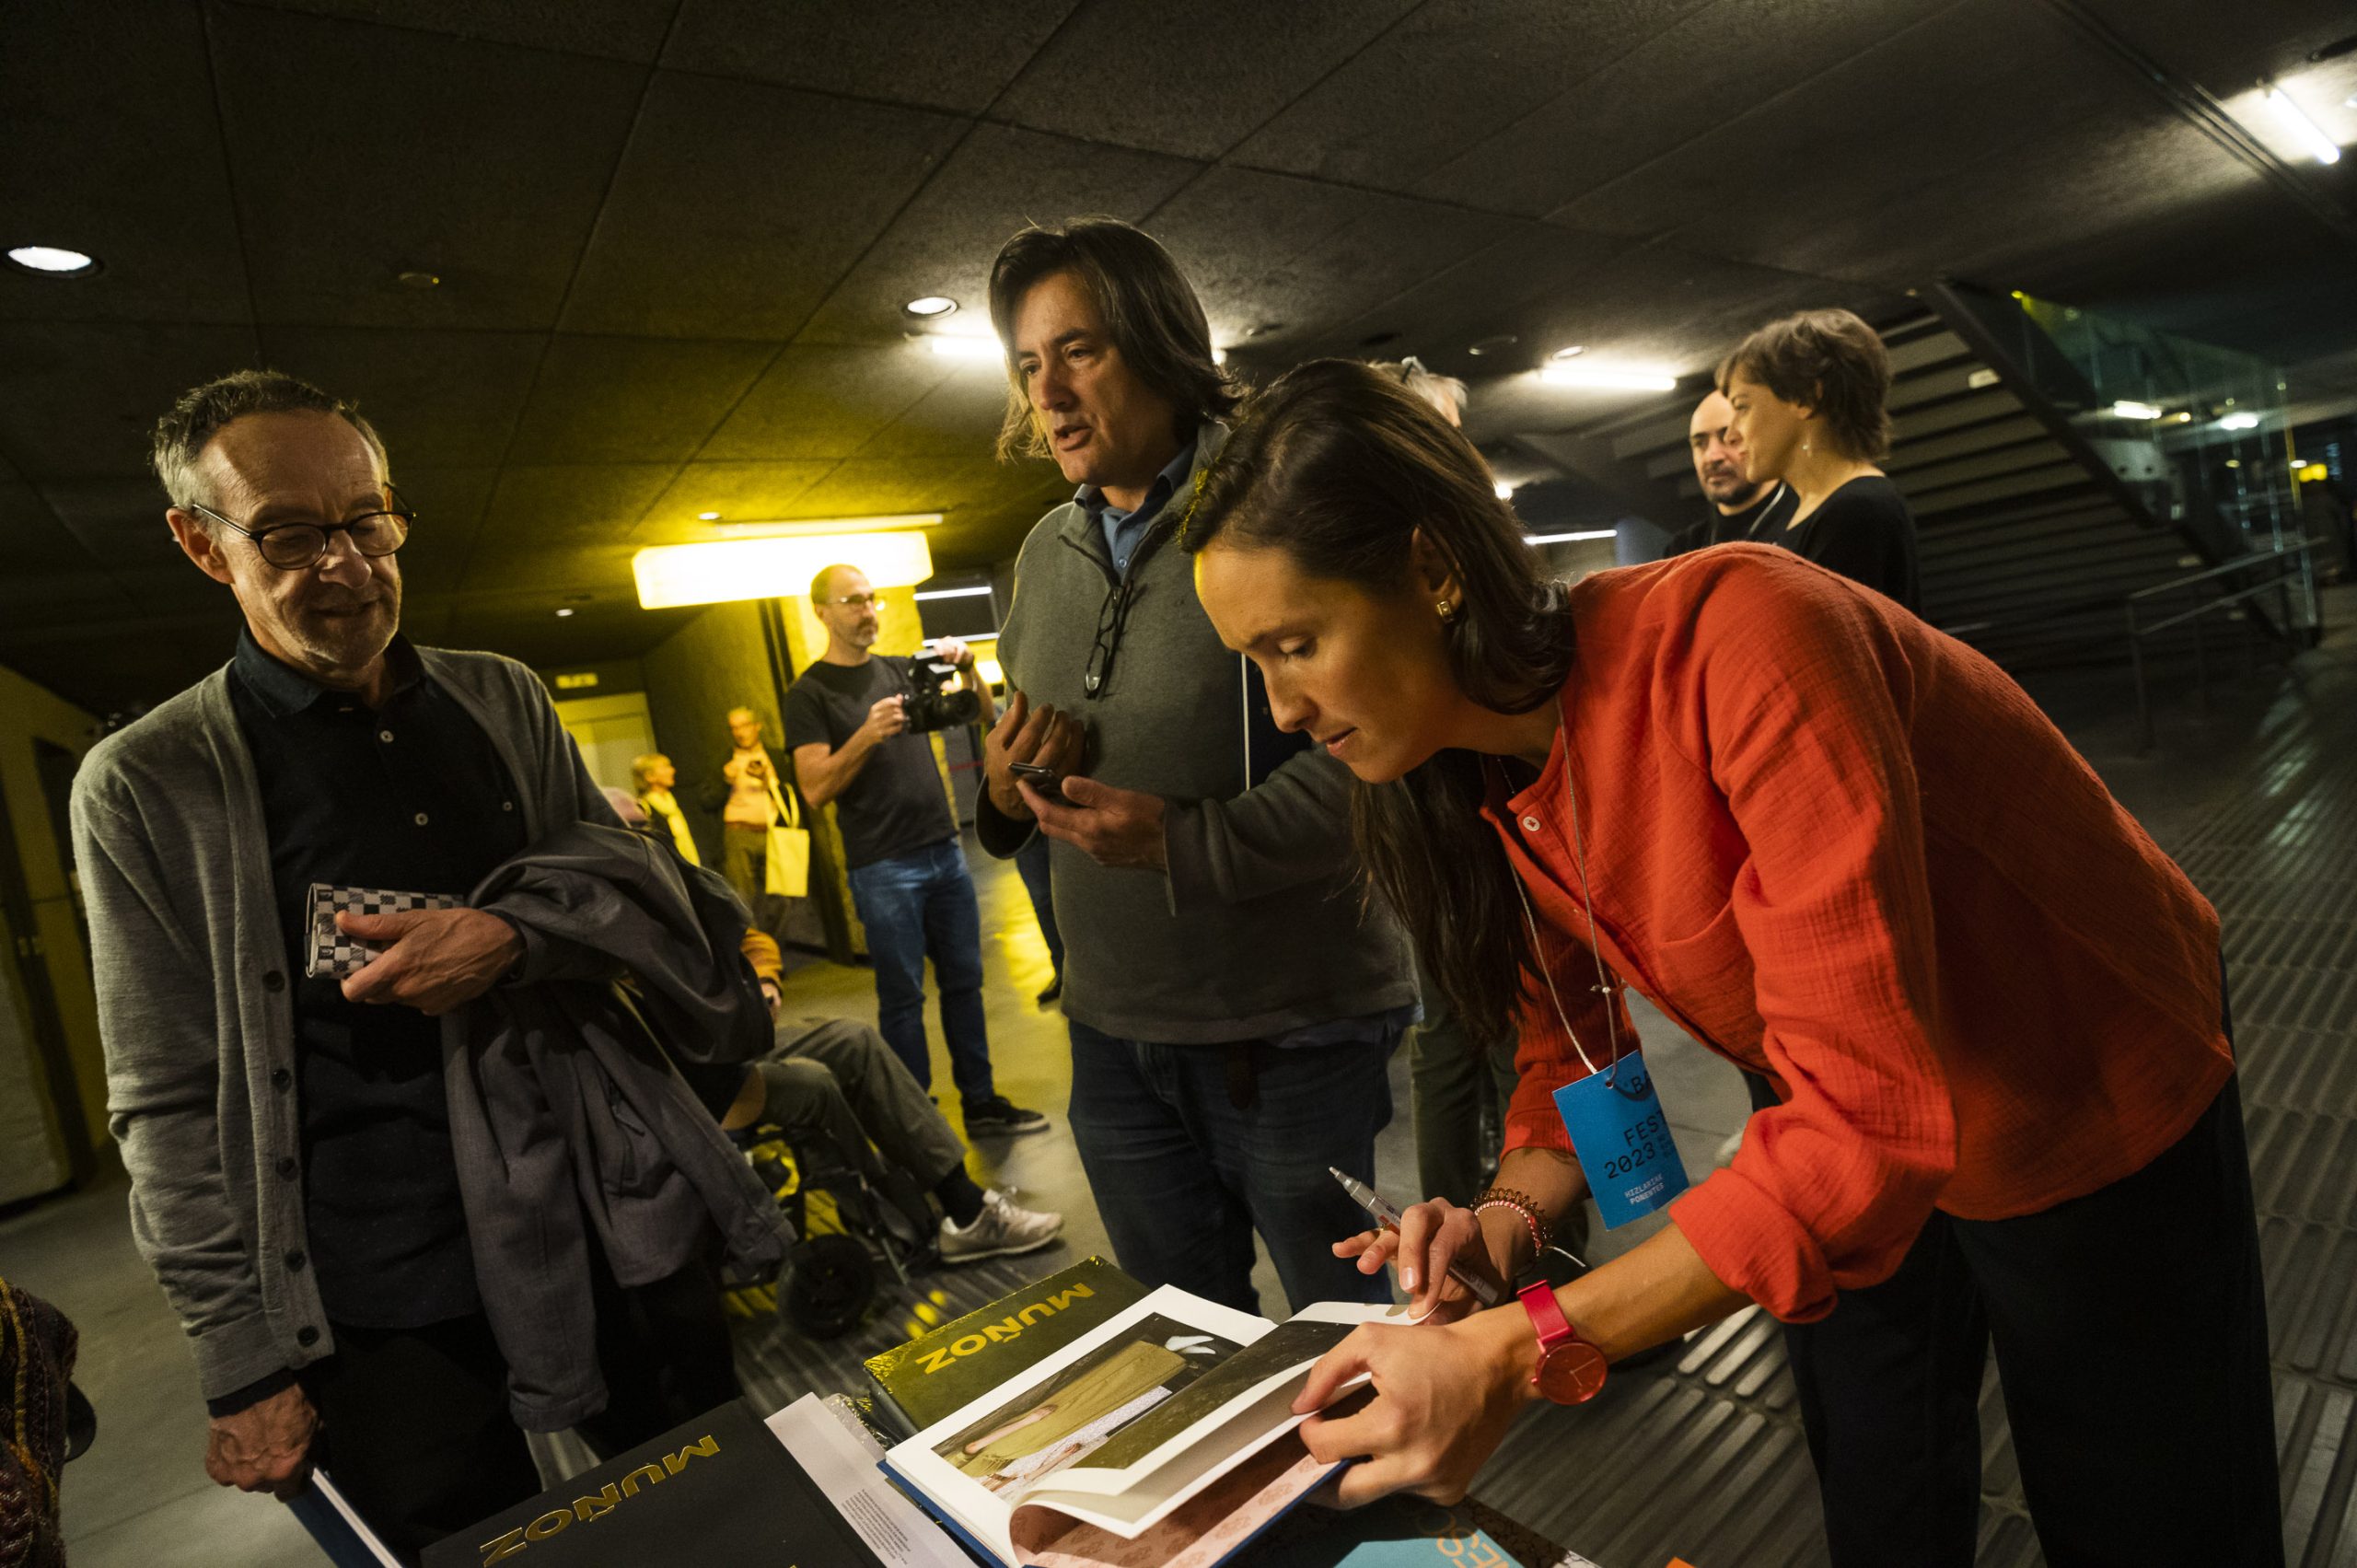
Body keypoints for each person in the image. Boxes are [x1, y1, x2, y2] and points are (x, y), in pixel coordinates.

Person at [1180, 359, 2280, 1566]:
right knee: (1876, 1472)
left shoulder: (1744, 637)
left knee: (2139, 1498)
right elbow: (1571, 1046)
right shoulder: (1468, 773)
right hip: (1835, 1094)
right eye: (1256, 661)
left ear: (1433, 566)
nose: (1282, 708)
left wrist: (1513, 1347)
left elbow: (1865, 1124)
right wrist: (1503, 1217)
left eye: (1297, 643)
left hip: (2066, 1066)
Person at [74, 370, 778, 1562]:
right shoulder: (149, 781)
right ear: (201, 544)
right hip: (381, 1278)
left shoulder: (500, 694)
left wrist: (514, 937)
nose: (346, 564)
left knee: (719, 1514)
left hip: (603, 1206)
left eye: (367, 519)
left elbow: (624, 887)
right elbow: (168, 1095)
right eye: (289, 533)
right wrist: (242, 1361)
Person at [976, 217, 1414, 1317]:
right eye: (1028, 366)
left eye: (1078, 351)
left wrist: (1184, 840)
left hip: (1287, 1030)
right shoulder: (1043, 553)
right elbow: (1020, 753)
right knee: (1189, 1347)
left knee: (1344, 1342)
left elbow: (1383, 752)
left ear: (1159, 342)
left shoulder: (1279, 501)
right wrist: (1002, 786)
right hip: (1114, 1034)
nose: (1048, 393)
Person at [783, 563, 1044, 1139]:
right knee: (902, 999)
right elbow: (815, 788)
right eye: (853, 601)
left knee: (964, 984)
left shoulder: (901, 669)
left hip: (944, 850)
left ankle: (981, 1103)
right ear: (821, 612)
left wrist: (969, 667)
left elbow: (984, 714)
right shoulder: (808, 694)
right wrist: (866, 734)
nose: (867, 610)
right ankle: (915, 1121)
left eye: (871, 599)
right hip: (883, 866)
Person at [1376, 355, 1523, 1213]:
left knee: (1463, 1030)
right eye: (1441, 432)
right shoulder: (1427, 550)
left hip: (1457, 811)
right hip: (1462, 813)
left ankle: (1482, 1225)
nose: (1458, 451)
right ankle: (1517, 1233)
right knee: (1502, 1027)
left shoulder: (1431, 540)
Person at [727, 933, 1062, 1263]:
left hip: (736, 1045)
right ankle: (881, 1215)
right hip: (710, 1075)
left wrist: (763, 978)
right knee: (813, 1081)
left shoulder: (696, 899)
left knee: (855, 1040)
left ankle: (963, 1205)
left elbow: (748, 936)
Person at [1720, 308, 1922, 612]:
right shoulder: (1807, 510)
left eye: (1742, 407)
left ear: (1805, 398)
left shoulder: (1857, 511)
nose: (1731, 434)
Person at [1666, 389, 1796, 556]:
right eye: (1700, 443)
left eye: (1730, 438)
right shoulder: (1684, 548)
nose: (1713, 456)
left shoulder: (1806, 524)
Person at [716, 704, 798, 935]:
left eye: (744, 726)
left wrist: (768, 780)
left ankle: (774, 947)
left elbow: (791, 795)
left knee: (783, 895)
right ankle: (755, 950)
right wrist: (725, 780)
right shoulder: (725, 759)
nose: (740, 732)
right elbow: (707, 801)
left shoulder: (774, 757)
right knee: (742, 896)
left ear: (757, 726)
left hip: (773, 832)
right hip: (738, 832)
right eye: (734, 728)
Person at [632, 750, 701, 865]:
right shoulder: (643, 808)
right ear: (650, 776)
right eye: (665, 767)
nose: (672, 770)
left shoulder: (674, 803)